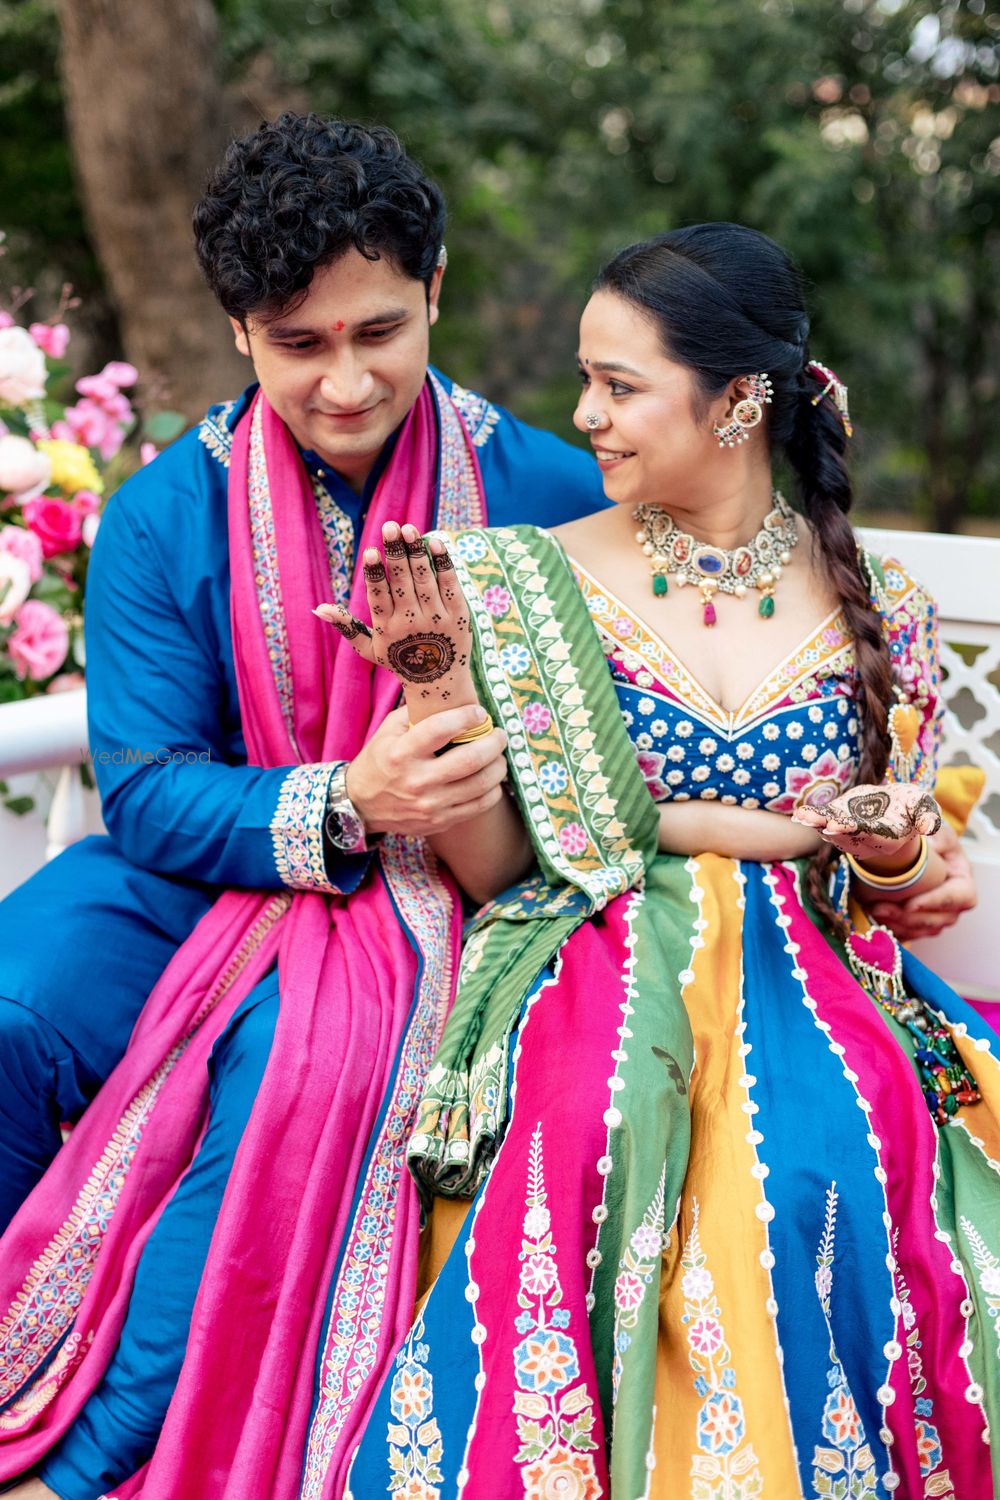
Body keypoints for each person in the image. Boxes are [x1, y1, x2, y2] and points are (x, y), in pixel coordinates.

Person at [327, 224, 1000, 1497]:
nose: (583, 414)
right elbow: (503, 867)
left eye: (618, 385)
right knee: (594, 1123)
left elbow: (895, 879)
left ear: (737, 400)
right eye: (586, 379)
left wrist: (890, 850)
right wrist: (439, 696)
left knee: (825, 1157)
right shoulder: (522, 584)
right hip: (594, 947)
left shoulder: (880, 603)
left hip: (814, 975)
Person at [0, 114, 609, 1499]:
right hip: (200, 874)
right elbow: (148, 792)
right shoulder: (165, 513)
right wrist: (346, 795)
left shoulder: (553, 495)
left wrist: (423, 806)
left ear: (436, 289)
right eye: (299, 343)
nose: (346, 380)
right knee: (14, 1006)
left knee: (299, 1068)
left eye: (379, 330)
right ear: (240, 331)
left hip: (452, 892)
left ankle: (92, 1457)